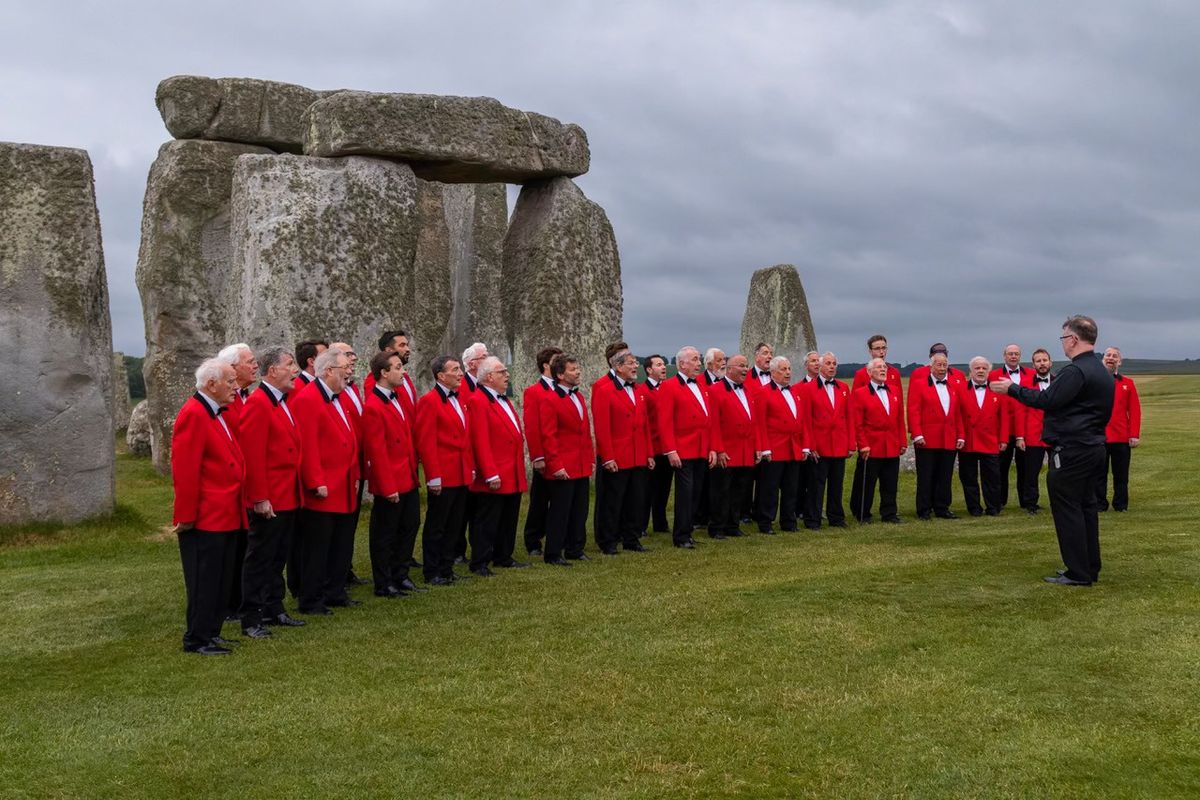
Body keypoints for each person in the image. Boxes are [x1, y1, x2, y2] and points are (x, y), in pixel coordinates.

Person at [990, 315, 1114, 586]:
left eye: (1063, 338)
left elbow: (1047, 399)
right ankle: (1089, 566)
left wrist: (1012, 388)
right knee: (1087, 507)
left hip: (1072, 449)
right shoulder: (1101, 371)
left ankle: (1077, 572)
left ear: (1073, 339)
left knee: (1068, 508)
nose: (1063, 344)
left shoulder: (1074, 371)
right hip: (1094, 446)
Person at [171, 358, 247, 655]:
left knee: (220, 578)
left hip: (225, 511)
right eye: (230, 381)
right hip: (207, 516)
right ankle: (197, 639)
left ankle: (212, 632)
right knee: (204, 580)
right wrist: (187, 516)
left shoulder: (216, 412)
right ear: (211, 384)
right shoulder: (194, 414)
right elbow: (186, 470)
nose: (235, 386)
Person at [238, 347, 306, 637]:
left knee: (278, 556)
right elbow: (252, 456)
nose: (296, 370)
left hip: (287, 494)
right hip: (270, 497)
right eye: (290, 365)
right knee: (260, 558)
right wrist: (260, 497)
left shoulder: (281, 401)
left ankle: (274, 608)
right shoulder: (259, 403)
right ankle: (251, 618)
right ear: (272, 371)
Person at [290, 347, 361, 614]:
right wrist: (315, 481)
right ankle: (310, 598)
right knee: (317, 547)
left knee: (341, 543)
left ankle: (335, 591)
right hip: (324, 487)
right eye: (345, 368)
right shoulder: (308, 399)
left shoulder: (338, 397)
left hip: (343, 483)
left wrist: (353, 475)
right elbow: (307, 446)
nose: (349, 372)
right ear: (329, 371)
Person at [362, 351, 422, 597]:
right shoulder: (374, 406)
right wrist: (388, 487)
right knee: (385, 533)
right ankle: (384, 581)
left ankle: (401, 573)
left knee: (409, 526)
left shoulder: (397, 399)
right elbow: (377, 451)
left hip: (407, 475)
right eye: (398, 367)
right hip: (391, 480)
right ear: (384, 373)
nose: (403, 371)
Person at [467, 357, 530, 575]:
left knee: (508, 517)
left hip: (511, 469)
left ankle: (503, 555)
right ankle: (480, 561)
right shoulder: (478, 401)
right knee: (487, 519)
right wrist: (490, 473)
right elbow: (480, 440)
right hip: (495, 471)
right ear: (489, 377)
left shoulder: (503, 399)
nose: (507, 375)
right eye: (502, 372)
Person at [415, 355, 474, 585]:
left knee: (455, 524)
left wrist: (468, 469)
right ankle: (432, 571)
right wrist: (434, 476)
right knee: (437, 525)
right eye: (455, 369)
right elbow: (426, 441)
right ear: (441, 375)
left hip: (460, 472)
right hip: (443, 473)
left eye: (460, 369)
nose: (460, 373)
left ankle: (447, 567)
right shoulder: (430, 401)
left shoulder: (458, 399)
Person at [592, 349, 655, 555]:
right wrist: (608, 457)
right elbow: (602, 428)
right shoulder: (605, 390)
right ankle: (608, 540)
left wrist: (649, 454)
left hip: (638, 455)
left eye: (636, 362)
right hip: (618, 455)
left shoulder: (638, 390)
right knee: (613, 500)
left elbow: (644, 425)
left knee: (635, 499)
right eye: (631, 363)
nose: (636, 366)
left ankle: (632, 538)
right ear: (618, 367)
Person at [215, 342, 258, 621]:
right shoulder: (225, 402)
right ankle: (229, 602)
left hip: (247, 482)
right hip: (229, 485)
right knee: (231, 547)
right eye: (250, 361)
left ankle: (240, 597)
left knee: (245, 544)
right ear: (232, 367)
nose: (255, 366)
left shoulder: (244, 396)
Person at [657, 346, 716, 548]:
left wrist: (711, 448)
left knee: (696, 492)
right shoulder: (669, 386)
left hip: (700, 448)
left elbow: (709, 420)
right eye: (694, 360)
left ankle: (688, 531)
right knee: (685, 492)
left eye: (699, 359)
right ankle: (681, 536)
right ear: (682, 364)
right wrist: (671, 450)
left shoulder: (701, 386)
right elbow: (664, 422)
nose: (699, 363)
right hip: (682, 449)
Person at [540, 354, 595, 564]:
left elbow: (585, 431)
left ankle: (575, 548)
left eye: (578, 368)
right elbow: (549, 436)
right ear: (560, 374)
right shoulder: (550, 399)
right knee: (560, 511)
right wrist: (556, 465)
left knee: (580, 509)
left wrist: (590, 458)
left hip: (581, 463)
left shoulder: (579, 397)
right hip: (563, 465)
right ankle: (553, 553)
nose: (578, 372)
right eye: (573, 369)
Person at [708, 354, 763, 538]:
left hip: (745, 449)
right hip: (727, 450)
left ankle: (733, 525)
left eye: (746, 366)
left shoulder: (747, 390)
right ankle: (717, 527)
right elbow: (713, 424)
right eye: (741, 366)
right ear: (729, 369)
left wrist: (757, 447)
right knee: (722, 491)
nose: (745, 369)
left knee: (740, 490)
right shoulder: (715, 390)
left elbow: (753, 421)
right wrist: (719, 449)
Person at [754, 356, 809, 534]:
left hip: (793, 446)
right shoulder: (763, 392)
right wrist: (765, 448)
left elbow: (802, 421)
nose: (787, 373)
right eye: (783, 370)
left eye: (789, 369)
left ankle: (789, 521)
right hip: (774, 447)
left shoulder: (794, 392)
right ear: (773, 373)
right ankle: (765, 522)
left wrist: (805, 446)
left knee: (791, 487)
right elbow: (760, 423)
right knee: (769, 488)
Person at [907, 352, 965, 520]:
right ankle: (924, 509)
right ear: (931, 367)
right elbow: (913, 411)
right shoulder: (919, 384)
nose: (941, 368)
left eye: (944, 365)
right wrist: (917, 434)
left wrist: (960, 435)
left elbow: (957, 413)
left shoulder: (953, 385)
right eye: (938, 365)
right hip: (927, 438)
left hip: (948, 437)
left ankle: (942, 507)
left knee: (945, 475)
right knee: (926, 475)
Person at [849, 358, 907, 524]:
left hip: (891, 443)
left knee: (890, 481)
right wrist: (862, 444)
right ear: (869, 372)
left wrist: (902, 442)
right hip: (871, 444)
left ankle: (889, 512)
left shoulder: (894, 391)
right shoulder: (860, 393)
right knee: (866, 481)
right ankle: (862, 512)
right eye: (879, 367)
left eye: (884, 367)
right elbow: (857, 423)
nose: (883, 370)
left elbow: (898, 420)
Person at [802, 352, 852, 530]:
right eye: (828, 363)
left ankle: (836, 517)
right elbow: (806, 420)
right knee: (816, 484)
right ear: (820, 367)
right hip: (820, 445)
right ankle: (813, 519)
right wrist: (810, 446)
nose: (832, 367)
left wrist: (850, 444)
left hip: (839, 443)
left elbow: (848, 417)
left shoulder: (844, 387)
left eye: (834, 363)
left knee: (837, 483)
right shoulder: (809, 389)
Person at [521, 346, 562, 557]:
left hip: (564, 453)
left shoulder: (565, 388)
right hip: (545, 455)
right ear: (546, 365)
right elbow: (532, 426)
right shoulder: (534, 392)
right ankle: (533, 539)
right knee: (540, 499)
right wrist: (537, 456)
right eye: (557, 360)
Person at [959, 356, 1008, 517]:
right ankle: (974, 508)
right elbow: (957, 415)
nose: (980, 371)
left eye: (984, 368)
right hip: (969, 441)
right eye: (977, 368)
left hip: (990, 440)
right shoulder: (960, 391)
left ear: (989, 371)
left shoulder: (997, 391)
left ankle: (993, 507)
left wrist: (1003, 439)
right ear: (970, 371)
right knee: (969, 477)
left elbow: (1003, 417)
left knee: (992, 477)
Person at [988, 344, 1033, 509]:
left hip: (1025, 428)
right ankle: (1000, 500)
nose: (1013, 357)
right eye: (1010, 354)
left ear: (1020, 356)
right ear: (1004, 356)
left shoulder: (1031, 374)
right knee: (1001, 467)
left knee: (1025, 468)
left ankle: (1026, 501)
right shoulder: (994, 375)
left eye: (1016, 354)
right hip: (1003, 429)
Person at [1097, 347, 1141, 512]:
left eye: (1115, 356)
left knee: (1121, 475)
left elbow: (1135, 410)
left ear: (1119, 361)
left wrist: (1134, 434)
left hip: (1121, 437)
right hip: (1099, 436)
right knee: (1099, 474)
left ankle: (1121, 504)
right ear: (1103, 359)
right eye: (1108, 355)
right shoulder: (1095, 382)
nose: (1111, 358)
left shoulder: (1127, 384)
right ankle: (1099, 504)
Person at [1015, 348, 1054, 514]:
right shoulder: (1024, 384)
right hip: (1033, 435)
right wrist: (1020, 436)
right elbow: (1020, 411)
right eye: (1038, 361)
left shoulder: (1060, 381)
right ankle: (1030, 504)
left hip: (1055, 435)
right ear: (1033, 364)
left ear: (1050, 362)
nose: (1042, 363)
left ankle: (1058, 503)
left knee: (1057, 473)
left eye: (1044, 360)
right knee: (1031, 473)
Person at [641, 353, 673, 535]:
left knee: (664, 487)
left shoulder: (668, 388)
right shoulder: (642, 391)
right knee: (647, 489)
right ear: (648, 369)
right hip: (652, 446)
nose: (663, 367)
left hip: (666, 447)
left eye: (664, 364)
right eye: (659, 364)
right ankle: (642, 524)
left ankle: (661, 523)